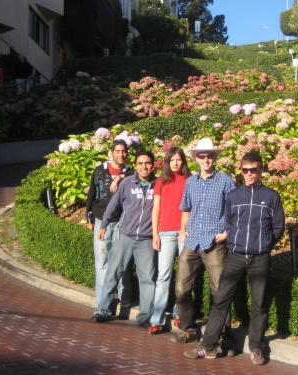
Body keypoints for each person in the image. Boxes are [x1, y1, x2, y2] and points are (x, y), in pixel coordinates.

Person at [184, 152, 285, 365]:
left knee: (259, 305)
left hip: (259, 258)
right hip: (235, 256)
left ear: (260, 170)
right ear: (241, 171)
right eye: (245, 170)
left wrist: (265, 244)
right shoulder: (234, 195)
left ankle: (257, 348)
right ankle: (207, 346)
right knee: (220, 301)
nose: (249, 174)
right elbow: (228, 222)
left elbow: (278, 226)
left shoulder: (271, 196)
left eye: (253, 170)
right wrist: (234, 242)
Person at [172, 137, 236, 346]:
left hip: (214, 241)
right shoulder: (191, 182)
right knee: (181, 289)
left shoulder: (226, 181)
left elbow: (234, 211)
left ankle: (221, 333)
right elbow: (186, 209)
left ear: (214, 158)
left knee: (220, 290)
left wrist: (226, 232)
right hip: (192, 241)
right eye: (202, 156)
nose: (206, 160)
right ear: (196, 159)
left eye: (209, 156)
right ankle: (189, 328)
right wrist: (182, 231)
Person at [92, 150, 157, 326]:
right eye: (140, 163)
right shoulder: (128, 183)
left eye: (148, 163)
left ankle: (144, 316)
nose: (144, 167)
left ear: (153, 164)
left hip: (146, 239)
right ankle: (102, 310)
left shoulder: (158, 185)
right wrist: (104, 225)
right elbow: (113, 206)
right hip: (124, 236)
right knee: (113, 274)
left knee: (148, 279)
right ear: (135, 165)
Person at [86, 139, 134, 321]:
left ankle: (124, 298)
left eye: (124, 151)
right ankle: (101, 308)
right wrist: (89, 218)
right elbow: (91, 194)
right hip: (101, 220)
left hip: (122, 221)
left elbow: (136, 172)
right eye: (118, 151)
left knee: (121, 261)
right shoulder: (99, 171)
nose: (121, 154)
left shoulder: (129, 173)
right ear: (111, 153)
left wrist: (120, 177)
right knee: (102, 263)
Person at [149, 147, 191, 334]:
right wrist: (155, 235)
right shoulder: (161, 182)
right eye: (172, 159)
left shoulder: (190, 181)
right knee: (163, 276)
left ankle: (179, 314)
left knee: (184, 277)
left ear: (183, 161)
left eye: (178, 159)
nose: (175, 163)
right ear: (167, 161)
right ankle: (157, 319)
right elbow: (155, 210)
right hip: (165, 233)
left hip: (184, 233)